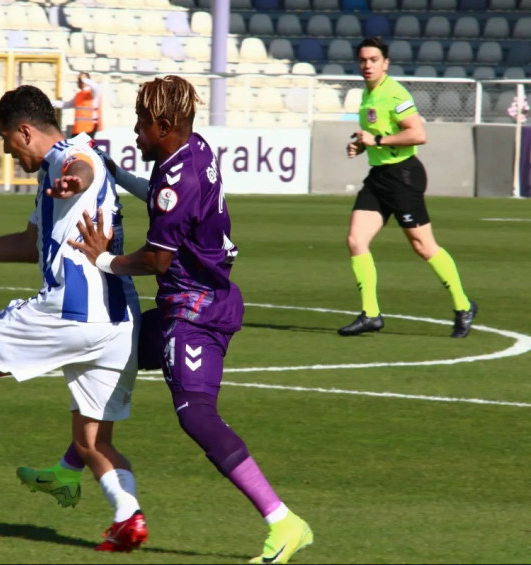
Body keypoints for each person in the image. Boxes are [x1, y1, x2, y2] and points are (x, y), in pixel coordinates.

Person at [43, 75, 314, 564]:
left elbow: (156, 261)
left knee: (196, 415)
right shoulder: (191, 151)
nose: (135, 131)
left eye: (142, 125)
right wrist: (119, 176)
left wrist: (103, 260)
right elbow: (166, 198)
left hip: (197, 312)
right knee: (116, 350)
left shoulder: (178, 179)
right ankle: (69, 467)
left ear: (164, 125)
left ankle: (284, 522)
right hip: (184, 303)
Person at [0, 84, 148, 553]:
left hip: (71, 310)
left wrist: (75, 178)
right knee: (91, 441)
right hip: (117, 321)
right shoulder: (51, 177)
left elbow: (85, 167)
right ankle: (128, 517)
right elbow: (26, 245)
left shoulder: (66, 156)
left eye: (5, 139)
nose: (6, 150)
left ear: (24, 130)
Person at [340, 37, 477, 338]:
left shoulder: (394, 93)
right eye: (363, 60)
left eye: (373, 60)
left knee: (423, 246)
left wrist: (375, 141)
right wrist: (363, 146)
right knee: (355, 239)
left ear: (385, 63)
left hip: (403, 176)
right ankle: (371, 314)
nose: (367, 65)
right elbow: (381, 134)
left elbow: (418, 134)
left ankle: (463, 305)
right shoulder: (368, 94)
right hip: (379, 176)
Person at [52, 72, 102, 138]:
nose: (81, 82)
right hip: (78, 129)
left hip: (89, 128)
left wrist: (84, 79)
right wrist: (49, 102)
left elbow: (95, 86)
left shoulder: (93, 93)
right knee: (75, 147)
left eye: (83, 80)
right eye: (80, 80)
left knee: (86, 147)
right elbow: (66, 104)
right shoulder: (79, 95)